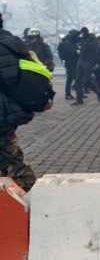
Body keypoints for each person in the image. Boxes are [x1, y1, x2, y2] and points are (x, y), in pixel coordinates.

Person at [0, 15, 37, 191]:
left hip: (3, 118)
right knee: (16, 170)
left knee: (20, 174)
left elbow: (9, 80)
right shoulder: (11, 44)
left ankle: (27, 210)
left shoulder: (4, 47)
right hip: (7, 117)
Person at [72, 27, 100, 105]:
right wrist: (78, 33)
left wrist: (87, 39)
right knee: (78, 80)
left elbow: (93, 48)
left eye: (83, 32)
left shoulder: (91, 38)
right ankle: (79, 100)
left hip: (89, 60)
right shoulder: (81, 38)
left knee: (87, 80)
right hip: (81, 59)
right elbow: (73, 39)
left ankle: (98, 92)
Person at [58, 29, 80, 100]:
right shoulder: (68, 43)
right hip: (71, 63)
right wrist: (79, 51)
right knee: (70, 79)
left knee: (74, 79)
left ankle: (78, 94)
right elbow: (74, 52)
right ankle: (68, 94)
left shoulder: (71, 42)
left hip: (72, 63)